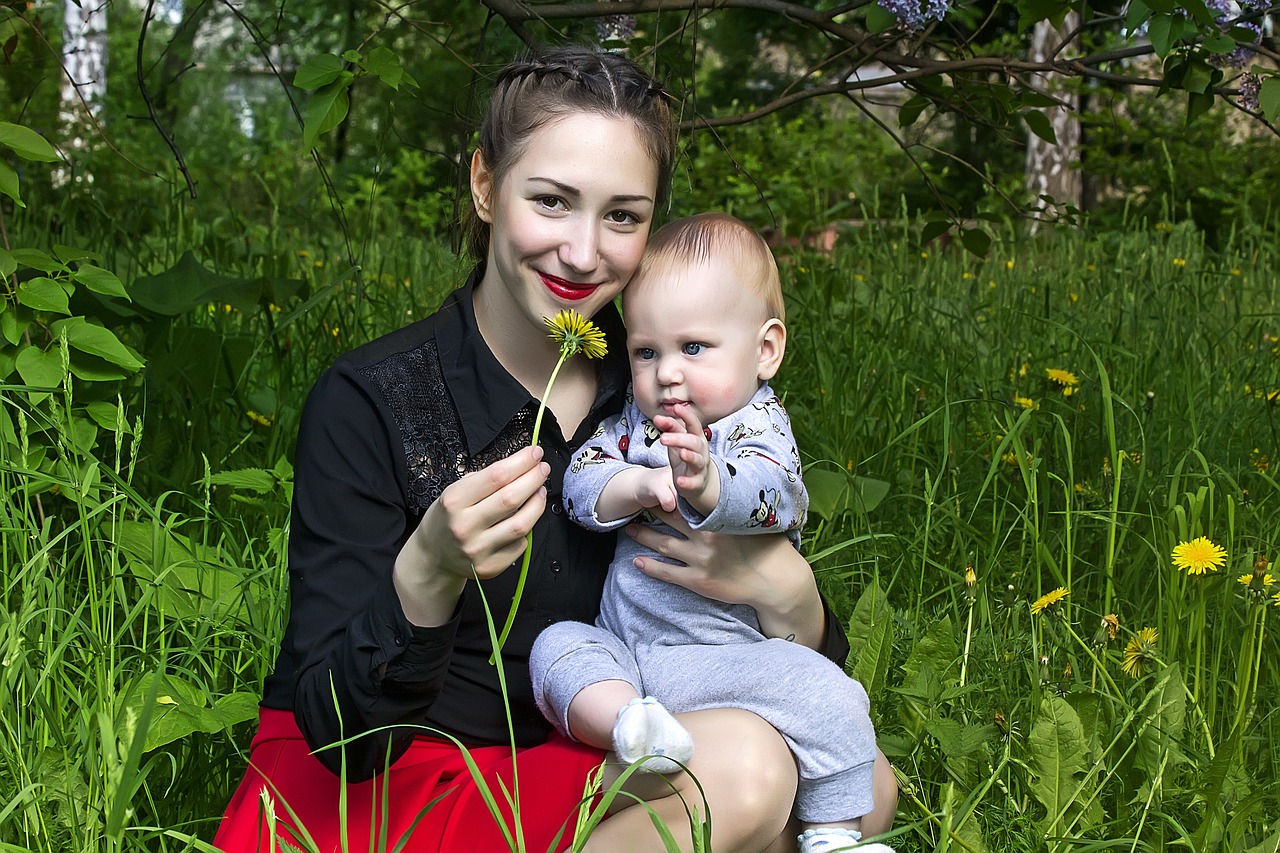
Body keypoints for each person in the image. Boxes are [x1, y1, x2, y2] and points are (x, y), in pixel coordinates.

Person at [214, 44, 896, 853]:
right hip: (396, 770)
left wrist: (793, 597)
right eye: (550, 200)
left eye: (622, 216)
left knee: (865, 786)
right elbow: (338, 735)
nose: (582, 252)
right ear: (484, 186)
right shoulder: (375, 398)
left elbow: (785, 653)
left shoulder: (660, 373)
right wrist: (426, 572)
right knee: (749, 777)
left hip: (596, 737)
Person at [530, 213, 893, 853]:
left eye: (693, 348)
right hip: (627, 651)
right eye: (647, 352)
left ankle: (835, 835)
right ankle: (629, 726)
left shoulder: (757, 428)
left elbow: (774, 494)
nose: (668, 373)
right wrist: (635, 487)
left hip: (718, 658)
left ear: (765, 351)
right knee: (557, 648)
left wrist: (707, 486)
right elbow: (582, 481)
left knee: (824, 692)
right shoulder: (633, 424)